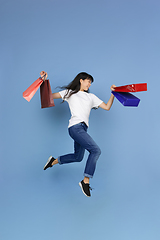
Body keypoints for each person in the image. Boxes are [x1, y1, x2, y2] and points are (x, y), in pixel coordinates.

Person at [43, 72, 116, 197]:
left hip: (83, 129)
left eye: (91, 82)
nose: (89, 84)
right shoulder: (70, 93)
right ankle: (85, 181)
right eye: (88, 81)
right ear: (81, 80)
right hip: (75, 128)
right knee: (96, 150)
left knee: (78, 157)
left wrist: (113, 93)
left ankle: (53, 161)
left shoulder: (91, 97)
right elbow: (48, 95)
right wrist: (44, 81)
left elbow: (107, 107)